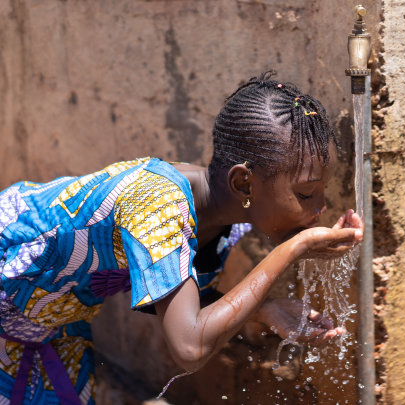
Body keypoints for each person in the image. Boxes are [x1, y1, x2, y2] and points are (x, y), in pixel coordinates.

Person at [0, 72, 363, 404]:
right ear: (243, 183)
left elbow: (181, 300)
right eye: (306, 193)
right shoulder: (158, 205)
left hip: (48, 325)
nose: (321, 207)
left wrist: (264, 310)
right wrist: (293, 248)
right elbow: (190, 346)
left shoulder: (217, 215)